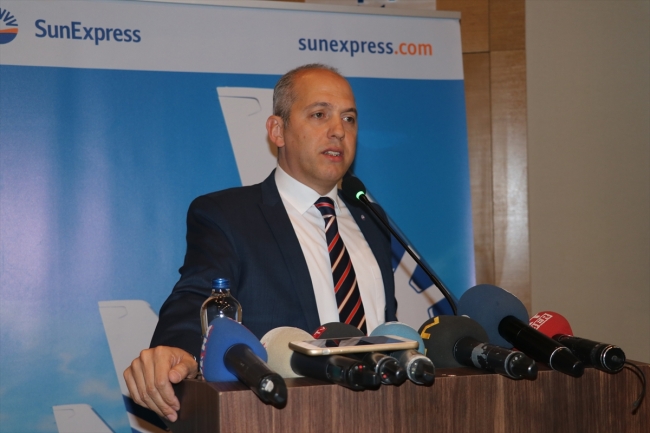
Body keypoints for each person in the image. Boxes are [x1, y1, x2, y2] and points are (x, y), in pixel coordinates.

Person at [124, 64, 397, 422]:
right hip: (284, 419)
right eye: (319, 114)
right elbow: (198, 298)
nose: (338, 131)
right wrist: (178, 351)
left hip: (385, 417)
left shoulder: (371, 220)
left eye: (349, 119)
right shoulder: (229, 215)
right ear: (277, 130)